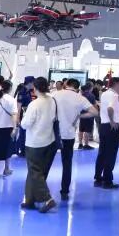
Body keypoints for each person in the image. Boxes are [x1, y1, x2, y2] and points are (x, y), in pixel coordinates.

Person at [51, 78, 97, 199]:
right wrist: (79, 116)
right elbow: (94, 112)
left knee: (46, 162)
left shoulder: (55, 94)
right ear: (77, 87)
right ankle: (64, 191)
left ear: (66, 84)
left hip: (53, 133)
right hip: (69, 135)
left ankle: (40, 192)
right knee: (67, 163)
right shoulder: (80, 98)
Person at [19, 77, 57, 213]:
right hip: (49, 140)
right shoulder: (52, 100)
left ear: (35, 88)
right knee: (37, 172)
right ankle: (29, 200)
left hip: (34, 142)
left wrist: (23, 118)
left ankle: (48, 199)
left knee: (35, 172)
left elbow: (25, 124)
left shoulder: (34, 104)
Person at [95, 77, 119, 189]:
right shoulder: (114, 95)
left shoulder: (104, 94)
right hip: (111, 127)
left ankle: (98, 177)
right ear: (116, 84)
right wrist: (112, 121)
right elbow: (110, 108)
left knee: (102, 152)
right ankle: (107, 181)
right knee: (111, 154)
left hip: (103, 126)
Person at [14, 77, 35, 157]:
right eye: (33, 82)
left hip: (26, 115)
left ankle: (23, 150)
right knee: (22, 134)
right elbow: (18, 107)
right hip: (22, 117)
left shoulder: (28, 91)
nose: (34, 84)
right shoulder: (22, 92)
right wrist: (17, 119)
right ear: (29, 82)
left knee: (25, 134)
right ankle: (20, 151)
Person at [78, 83, 98, 150]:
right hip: (89, 114)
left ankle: (80, 144)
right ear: (90, 88)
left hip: (82, 114)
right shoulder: (91, 95)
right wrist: (96, 111)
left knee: (81, 129)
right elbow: (94, 105)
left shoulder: (81, 95)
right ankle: (86, 144)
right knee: (87, 130)